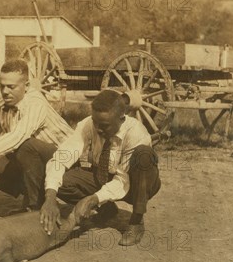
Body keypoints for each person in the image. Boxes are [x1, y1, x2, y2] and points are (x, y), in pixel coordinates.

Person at [39, 89, 161, 246]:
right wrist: (50, 197)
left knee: (144, 155)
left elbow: (123, 180)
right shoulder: (88, 124)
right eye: (95, 123)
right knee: (61, 182)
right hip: (103, 175)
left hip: (135, 183)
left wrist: (94, 199)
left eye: (104, 125)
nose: (98, 129)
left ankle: (137, 221)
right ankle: (107, 211)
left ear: (121, 118)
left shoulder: (136, 133)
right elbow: (61, 157)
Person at [0, 59, 73, 211]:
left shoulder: (36, 103)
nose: (5, 91)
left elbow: (17, 137)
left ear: (26, 86)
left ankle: (33, 207)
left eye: (11, 87)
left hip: (66, 160)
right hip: (33, 162)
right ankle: (33, 193)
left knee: (25, 146)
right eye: (2, 86)